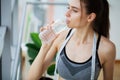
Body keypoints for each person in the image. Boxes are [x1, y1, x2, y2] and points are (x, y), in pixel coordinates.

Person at [27, 0, 116, 80]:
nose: (67, 13)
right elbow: (32, 78)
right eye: (68, 7)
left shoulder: (106, 48)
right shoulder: (61, 37)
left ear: (90, 17)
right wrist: (45, 47)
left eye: (74, 10)